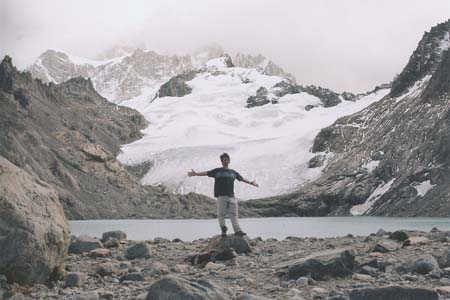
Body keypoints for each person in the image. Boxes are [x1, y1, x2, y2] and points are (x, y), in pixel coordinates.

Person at [187, 153, 259, 237]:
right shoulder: (217, 171)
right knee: (221, 214)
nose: (226, 161)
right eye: (224, 160)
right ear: (221, 161)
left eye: (227, 160)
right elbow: (206, 173)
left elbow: (241, 179)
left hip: (231, 196)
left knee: (234, 215)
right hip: (221, 196)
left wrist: (251, 183)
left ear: (229, 161)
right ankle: (223, 229)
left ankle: (238, 231)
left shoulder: (233, 173)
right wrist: (195, 174)